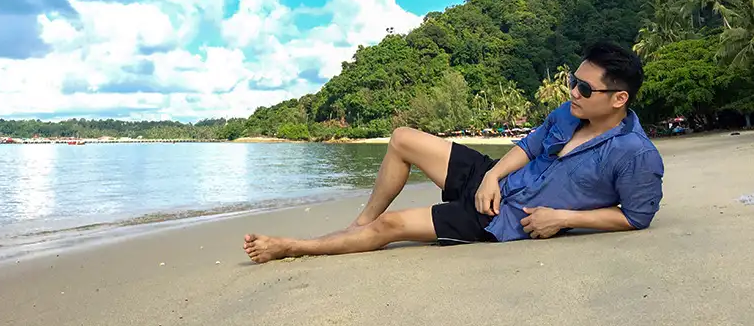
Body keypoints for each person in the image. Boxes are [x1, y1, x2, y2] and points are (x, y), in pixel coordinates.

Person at [243, 41, 665, 263]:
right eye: (575, 80)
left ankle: (294, 246)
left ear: (618, 99)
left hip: (504, 218)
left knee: (393, 226)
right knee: (402, 137)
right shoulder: (569, 113)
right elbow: (529, 145)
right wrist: (491, 176)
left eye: (585, 88)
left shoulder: (635, 154)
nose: (573, 91)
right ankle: (359, 224)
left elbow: (636, 216)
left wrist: (564, 218)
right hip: (496, 181)